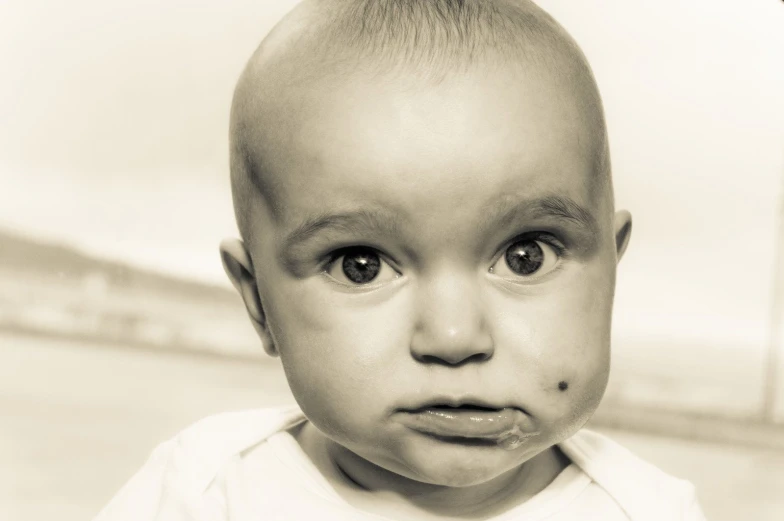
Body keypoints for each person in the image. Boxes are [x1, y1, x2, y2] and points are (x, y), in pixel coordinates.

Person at [95, 1, 706, 519]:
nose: (452, 336)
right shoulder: (201, 495)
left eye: (525, 257)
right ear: (259, 304)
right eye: (360, 265)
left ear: (611, 273)